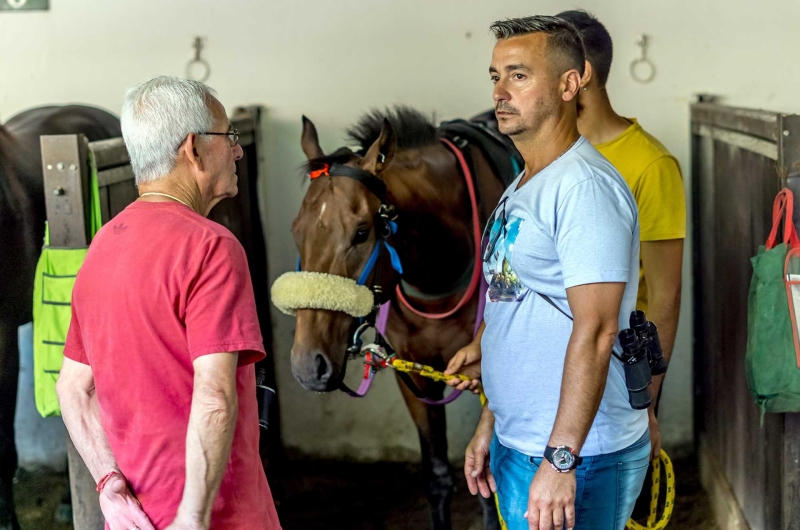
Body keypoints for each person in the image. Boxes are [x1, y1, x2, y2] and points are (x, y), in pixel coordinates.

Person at [56, 76, 281, 530]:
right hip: (220, 517)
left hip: (134, 518)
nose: (238, 151)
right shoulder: (211, 247)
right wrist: (191, 519)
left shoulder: (103, 246)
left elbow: (73, 388)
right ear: (194, 149)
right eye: (228, 138)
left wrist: (108, 484)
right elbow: (215, 397)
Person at [459, 16, 649, 530]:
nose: (500, 91)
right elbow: (509, 307)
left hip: (578, 457)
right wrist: (491, 424)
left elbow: (596, 330)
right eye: (495, 76)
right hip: (521, 445)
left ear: (571, 83)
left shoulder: (584, 189)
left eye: (519, 75)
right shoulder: (525, 181)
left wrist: (561, 460)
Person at [556, 10, 685, 461]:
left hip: (613, 374)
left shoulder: (651, 166)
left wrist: (644, 400)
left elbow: (665, 297)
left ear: (579, 76)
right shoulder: (541, 160)